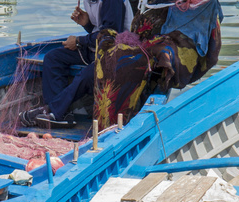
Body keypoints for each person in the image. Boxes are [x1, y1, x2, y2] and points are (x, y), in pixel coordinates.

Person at [93, 0, 223, 129]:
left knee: (126, 61)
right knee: (111, 51)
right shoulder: (150, 7)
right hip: (144, 46)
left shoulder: (204, 7)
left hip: (158, 50)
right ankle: (112, 124)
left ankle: (116, 124)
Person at [21, 0, 135, 128]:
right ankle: (61, 115)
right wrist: (87, 24)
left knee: (86, 76)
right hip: (96, 50)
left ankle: (52, 110)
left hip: (117, 54)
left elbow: (110, 36)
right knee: (53, 58)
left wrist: (79, 41)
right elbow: (100, 30)